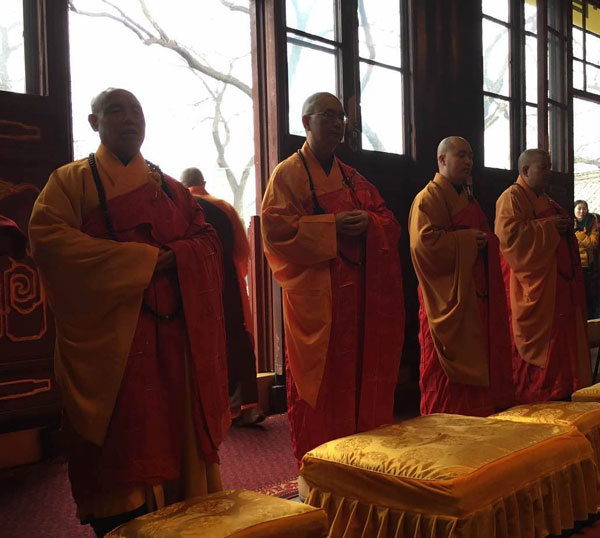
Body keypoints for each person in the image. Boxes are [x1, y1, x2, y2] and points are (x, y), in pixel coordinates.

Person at [29, 88, 230, 537]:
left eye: (136, 110)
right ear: (92, 122)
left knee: (175, 432)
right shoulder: (69, 181)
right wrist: (141, 262)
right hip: (112, 343)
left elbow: (208, 243)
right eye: (115, 111)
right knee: (125, 436)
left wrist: (177, 256)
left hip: (175, 339)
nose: (128, 119)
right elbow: (48, 241)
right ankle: (121, 521)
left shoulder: (172, 190)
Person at [261, 92, 405, 476]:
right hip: (318, 303)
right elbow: (274, 232)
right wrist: (331, 227)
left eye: (341, 116)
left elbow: (388, 221)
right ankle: (322, 471)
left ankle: (363, 465)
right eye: (328, 115)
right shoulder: (288, 174)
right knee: (320, 386)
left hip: (357, 302)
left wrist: (370, 225)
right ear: (306, 122)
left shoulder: (352, 177)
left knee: (358, 381)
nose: (338, 122)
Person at [408, 136, 513, 416]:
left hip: (474, 297)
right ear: (442, 159)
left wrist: (484, 241)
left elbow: (486, 236)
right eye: (461, 155)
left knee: (479, 358)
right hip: (446, 299)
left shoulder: (468, 198)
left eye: (471, 156)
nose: (469, 162)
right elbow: (423, 245)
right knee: (442, 372)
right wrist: (467, 241)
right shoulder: (427, 198)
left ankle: (480, 417)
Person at [495, 149, 591, 404]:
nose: (549, 172)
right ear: (525, 171)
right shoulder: (511, 198)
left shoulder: (548, 201)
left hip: (557, 287)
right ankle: (536, 397)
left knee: (561, 343)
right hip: (531, 286)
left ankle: (564, 390)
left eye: (549, 166)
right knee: (539, 348)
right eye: (543, 167)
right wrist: (549, 227)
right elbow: (510, 240)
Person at [181, 167, 264, 426]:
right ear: (203, 183)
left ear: (182, 186)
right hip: (226, 281)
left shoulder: (179, 208)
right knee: (236, 339)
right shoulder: (224, 207)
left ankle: (205, 413)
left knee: (197, 343)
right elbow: (242, 252)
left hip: (191, 286)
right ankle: (246, 407)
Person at [574, 200, 599, 319]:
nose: (582, 211)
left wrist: (579, 235)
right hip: (573, 265)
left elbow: (593, 243)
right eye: (579, 208)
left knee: (589, 294)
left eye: (584, 209)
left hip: (587, 266)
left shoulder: (591, 222)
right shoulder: (568, 221)